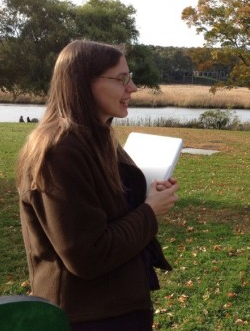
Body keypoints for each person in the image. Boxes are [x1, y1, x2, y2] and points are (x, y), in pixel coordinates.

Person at [16, 39, 179, 330]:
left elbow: (112, 208)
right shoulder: (59, 150)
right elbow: (88, 255)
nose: (133, 88)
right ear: (82, 83)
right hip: (87, 318)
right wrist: (150, 211)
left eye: (130, 78)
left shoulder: (98, 137)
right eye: (121, 79)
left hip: (116, 309)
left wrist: (146, 194)